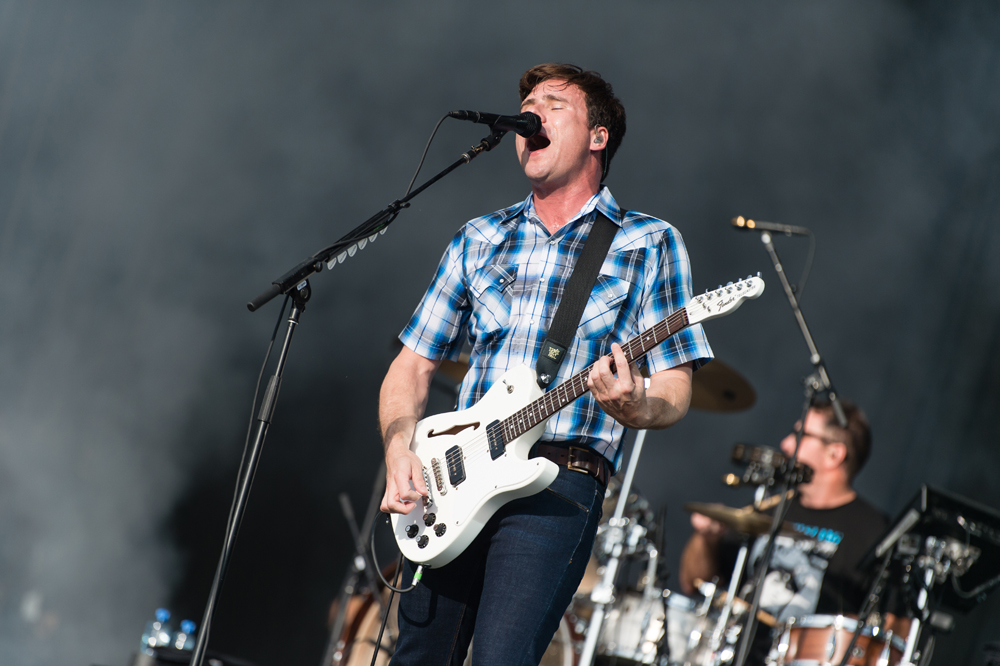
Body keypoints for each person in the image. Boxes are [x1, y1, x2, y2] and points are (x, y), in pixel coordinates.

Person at [378, 63, 713, 666]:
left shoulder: (648, 242)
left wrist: (635, 405)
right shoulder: (479, 237)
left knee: (503, 656)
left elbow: (675, 386)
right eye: (528, 104)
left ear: (598, 136)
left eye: (554, 104)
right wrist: (400, 448)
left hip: (558, 482)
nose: (532, 114)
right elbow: (412, 365)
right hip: (452, 477)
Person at [678, 398, 902, 661]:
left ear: (835, 454)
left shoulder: (876, 532)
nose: (785, 444)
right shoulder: (772, 507)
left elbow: (891, 631)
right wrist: (706, 538)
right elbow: (691, 583)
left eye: (801, 435)